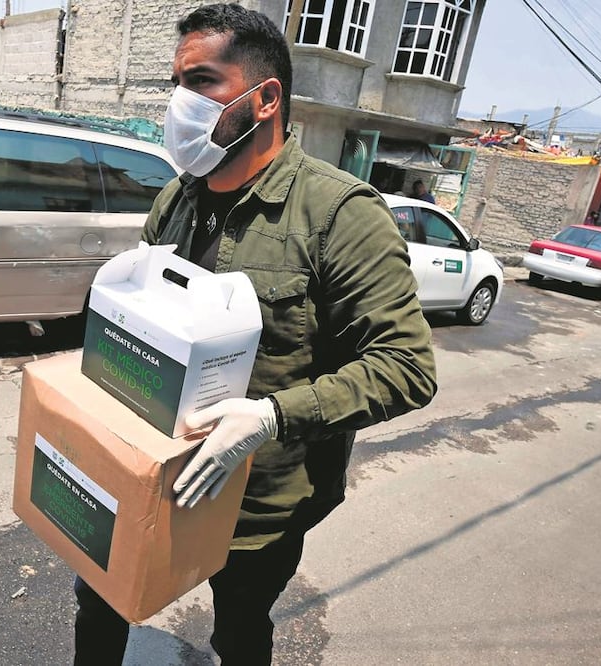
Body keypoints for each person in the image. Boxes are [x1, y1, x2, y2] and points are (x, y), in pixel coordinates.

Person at [72, 4, 437, 664]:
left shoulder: (339, 214)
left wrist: (271, 415)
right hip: (145, 474)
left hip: (257, 508)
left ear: (263, 98)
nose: (179, 102)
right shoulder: (178, 198)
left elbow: (406, 366)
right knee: (97, 600)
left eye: (201, 81)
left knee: (238, 632)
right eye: (175, 83)